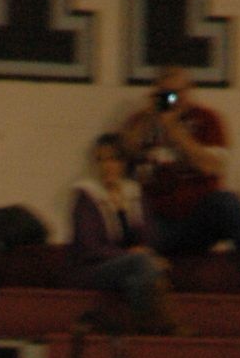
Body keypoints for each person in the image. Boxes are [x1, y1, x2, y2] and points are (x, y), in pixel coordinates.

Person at [121, 66, 240, 294]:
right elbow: (123, 155)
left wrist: (175, 130)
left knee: (229, 202)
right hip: (156, 221)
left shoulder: (207, 120)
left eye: (177, 93)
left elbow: (211, 166)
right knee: (129, 215)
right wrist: (148, 119)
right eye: (165, 93)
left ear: (189, 91)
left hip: (197, 219)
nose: (172, 99)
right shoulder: (141, 122)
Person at [69, 132, 177, 333]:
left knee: (137, 279)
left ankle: (142, 332)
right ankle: (166, 326)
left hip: (130, 267)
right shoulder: (87, 197)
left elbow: (149, 237)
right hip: (93, 268)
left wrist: (126, 211)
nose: (107, 166)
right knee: (144, 265)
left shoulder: (133, 193)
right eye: (101, 160)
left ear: (123, 163)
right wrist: (131, 255)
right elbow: (90, 247)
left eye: (113, 159)